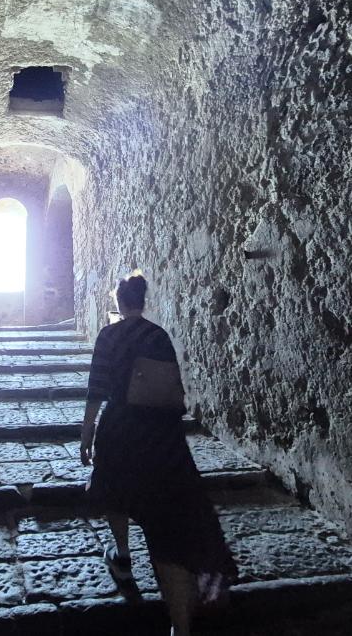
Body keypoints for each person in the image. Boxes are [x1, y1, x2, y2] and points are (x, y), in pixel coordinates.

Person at [80, 272, 237, 636]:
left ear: (119, 302)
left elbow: (97, 387)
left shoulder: (109, 336)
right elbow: (170, 387)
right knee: (167, 524)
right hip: (161, 436)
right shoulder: (158, 335)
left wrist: (87, 430)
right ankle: (179, 627)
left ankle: (122, 555)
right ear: (143, 300)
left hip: (120, 429)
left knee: (114, 490)